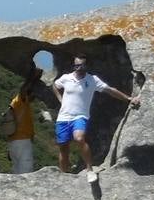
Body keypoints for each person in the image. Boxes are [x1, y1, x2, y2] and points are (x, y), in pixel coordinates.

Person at [53, 54, 140, 183]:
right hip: (63, 117)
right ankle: (63, 175)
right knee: (63, 148)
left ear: (86, 66)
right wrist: (60, 100)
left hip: (80, 116)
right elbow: (55, 86)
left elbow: (110, 90)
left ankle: (89, 170)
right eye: (76, 65)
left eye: (81, 65)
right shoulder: (66, 78)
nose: (79, 68)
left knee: (79, 138)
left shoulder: (92, 80)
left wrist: (128, 98)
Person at [4, 65, 47, 174]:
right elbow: (23, 90)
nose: (34, 96)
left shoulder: (19, 105)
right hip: (22, 140)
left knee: (16, 170)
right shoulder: (20, 101)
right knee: (26, 171)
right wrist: (33, 77)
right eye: (32, 94)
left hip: (13, 142)